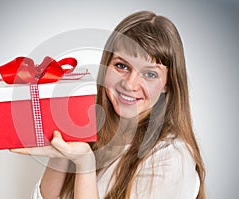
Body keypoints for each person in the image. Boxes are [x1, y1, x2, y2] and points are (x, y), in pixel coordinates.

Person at [11, 11, 206, 199]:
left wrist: (84, 163)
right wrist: (60, 153)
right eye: (121, 66)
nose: (129, 84)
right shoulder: (90, 129)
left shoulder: (171, 159)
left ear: (168, 84)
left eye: (150, 74)